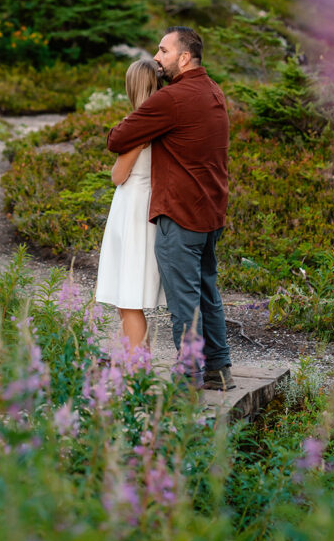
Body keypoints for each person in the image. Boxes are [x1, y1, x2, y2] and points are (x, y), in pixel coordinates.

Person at [107, 26, 234, 390]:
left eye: (163, 51)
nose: (157, 58)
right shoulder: (213, 91)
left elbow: (116, 139)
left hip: (180, 215)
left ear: (183, 57)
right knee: (207, 292)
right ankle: (219, 368)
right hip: (210, 212)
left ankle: (190, 380)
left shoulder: (173, 98)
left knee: (184, 303)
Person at [95, 59, 165, 352]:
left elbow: (118, 175)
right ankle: (139, 364)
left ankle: (138, 368)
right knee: (130, 296)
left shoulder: (140, 126)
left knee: (128, 299)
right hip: (148, 207)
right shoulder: (165, 122)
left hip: (132, 211)